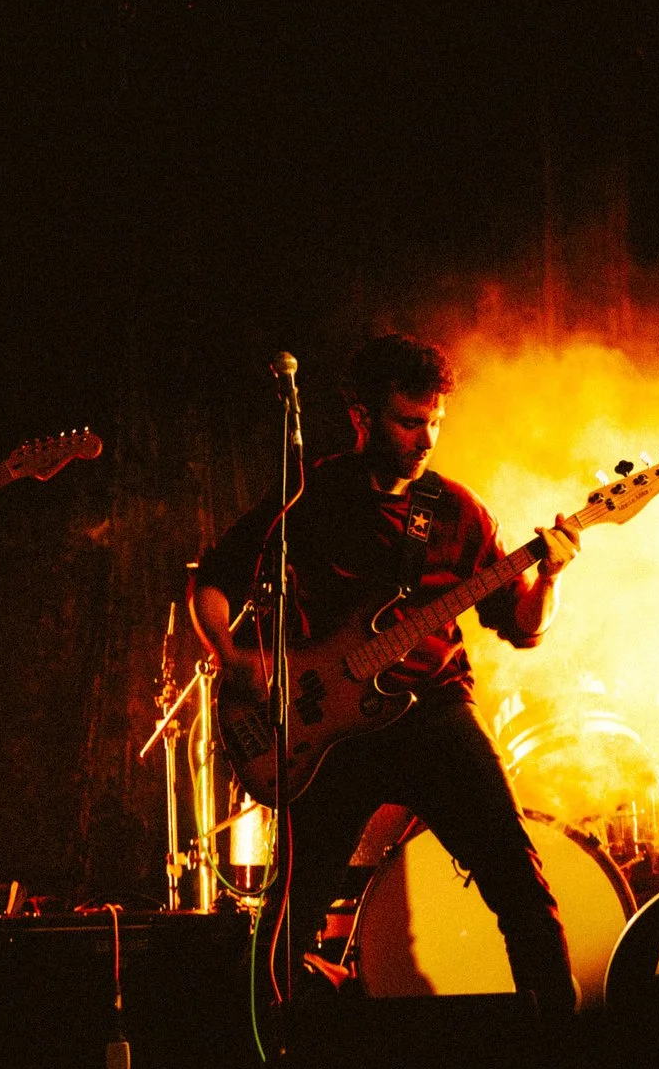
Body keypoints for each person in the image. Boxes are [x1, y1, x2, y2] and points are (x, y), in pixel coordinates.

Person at [190, 334, 585, 1019]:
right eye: (409, 422)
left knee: (520, 883)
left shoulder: (457, 511)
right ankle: (261, 1067)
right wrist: (233, 657)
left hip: (433, 717)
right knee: (291, 910)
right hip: (328, 733)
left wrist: (548, 575)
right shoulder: (307, 497)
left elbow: (521, 627)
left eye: (435, 421)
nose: (426, 437)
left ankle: (561, 1040)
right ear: (361, 416)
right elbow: (213, 581)